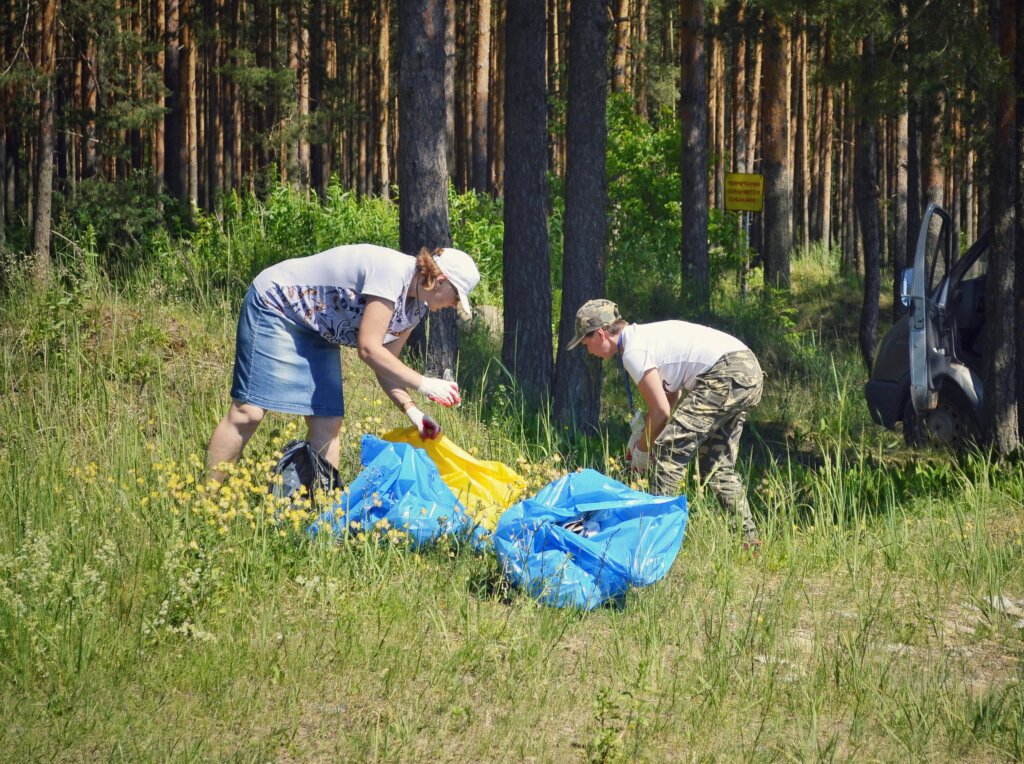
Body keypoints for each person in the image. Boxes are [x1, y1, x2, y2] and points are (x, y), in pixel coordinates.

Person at [206, 244, 480, 483]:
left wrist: (413, 411)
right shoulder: (393, 272)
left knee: (328, 421)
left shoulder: (417, 307)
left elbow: (386, 363)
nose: (453, 306)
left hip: (318, 328)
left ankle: (320, 512)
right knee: (249, 412)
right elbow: (369, 349)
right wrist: (425, 384)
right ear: (441, 280)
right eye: (456, 298)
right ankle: (205, 500)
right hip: (277, 306)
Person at [567, 299, 764, 544]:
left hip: (727, 372)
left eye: (587, 343)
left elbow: (660, 411)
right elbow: (670, 398)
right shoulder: (644, 338)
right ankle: (750, 541)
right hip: (745, 370)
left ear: (600, 334)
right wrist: (641, 437)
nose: (589, 351)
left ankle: (655, 540)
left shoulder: (633, 352)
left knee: (668, 450)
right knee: (715, 464)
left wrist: (642, 449)